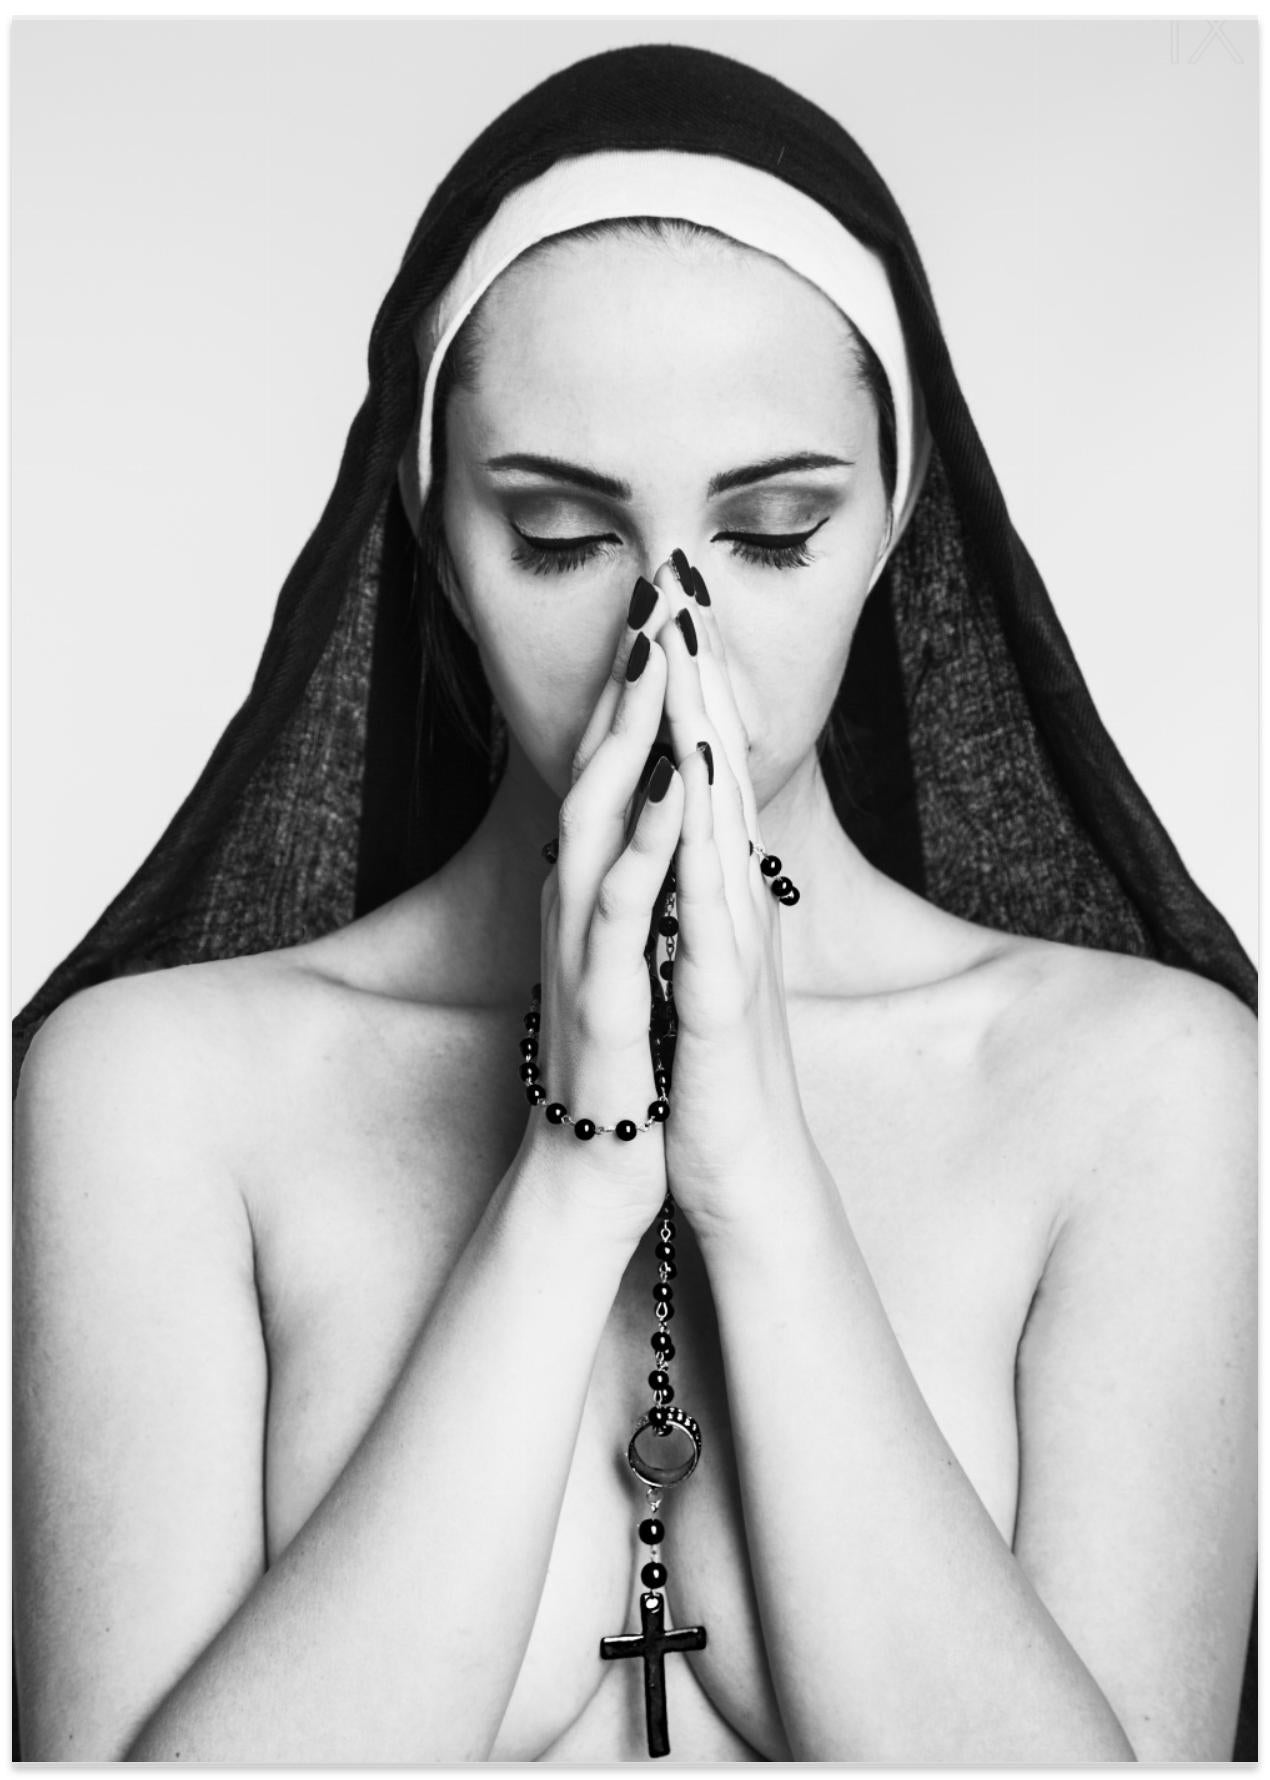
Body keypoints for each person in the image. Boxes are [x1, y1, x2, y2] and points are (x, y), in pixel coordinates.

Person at [13, 42, 1256, 1765]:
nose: (669, 636)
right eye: (556, 534)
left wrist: (758, 1186)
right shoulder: (149, 1093)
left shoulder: (1145, 1091)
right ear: (433, 529)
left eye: (771, 530)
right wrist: (570, 1188)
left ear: (892, 518)